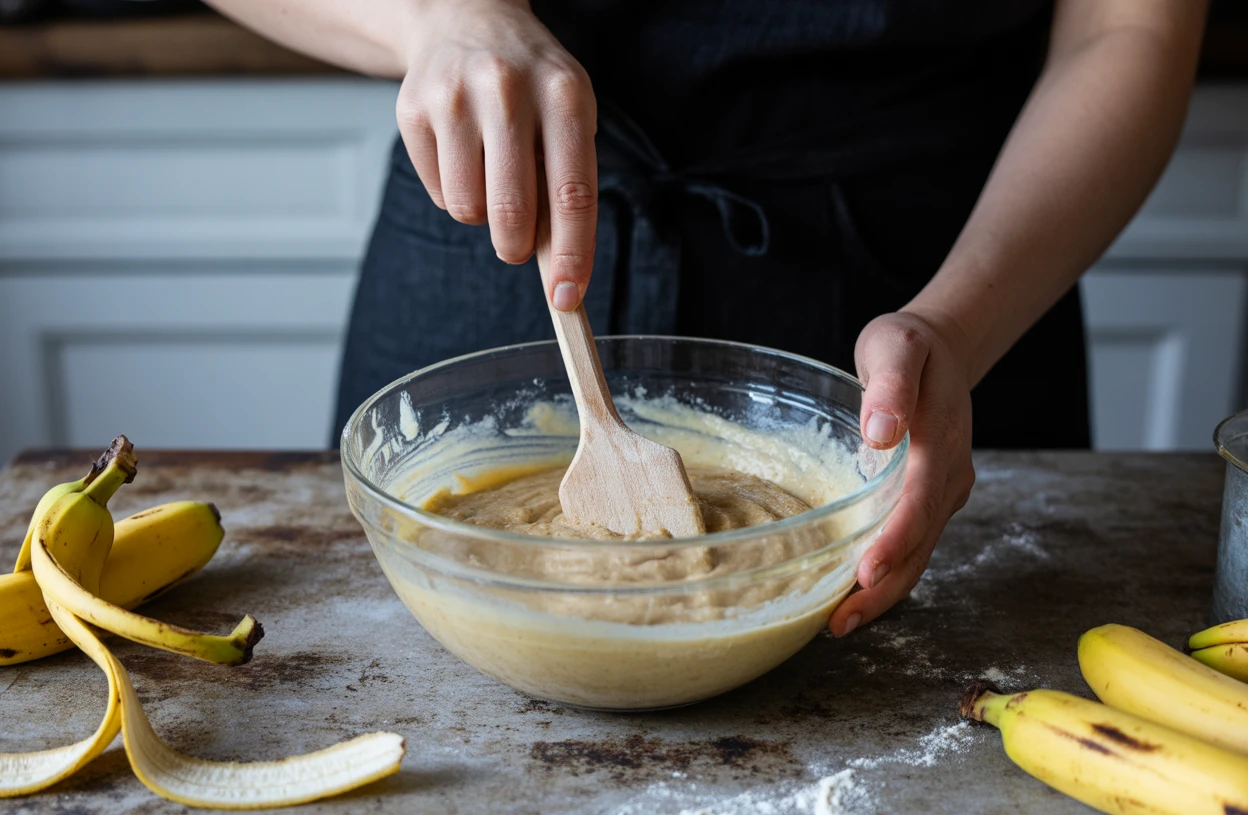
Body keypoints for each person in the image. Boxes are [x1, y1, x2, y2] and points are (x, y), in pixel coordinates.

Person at [205, 0, 1207, 637]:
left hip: (945, 274)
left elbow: (1132, 29)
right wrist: (431, 18)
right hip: (496, 213)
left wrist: (956, 328)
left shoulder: (952, 320)